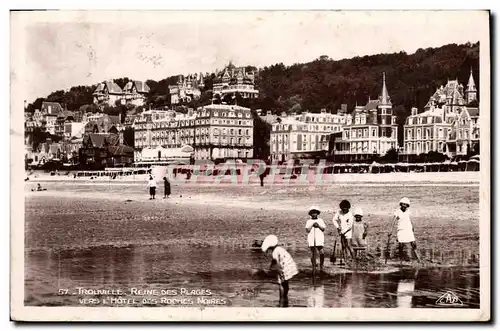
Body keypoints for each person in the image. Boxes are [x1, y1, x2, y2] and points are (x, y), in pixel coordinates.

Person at [261, 234, 299, 307]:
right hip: (288, 266)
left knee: (281, 284)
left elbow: (277, 264)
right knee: (285, 283)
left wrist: (280, 272)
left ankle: (281, 300)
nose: (268, 252)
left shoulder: (274, 252)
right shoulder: (279, 249)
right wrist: (270, 268)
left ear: (270, 248)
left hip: (283, 267)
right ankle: (285, 297)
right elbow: (274, 262)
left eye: (268, 250)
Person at [388, 197, 420, 263]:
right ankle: (401, 259)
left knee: (413, 244)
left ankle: (418, 259)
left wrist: (412, 227)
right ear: (401, 204)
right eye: (403, 204)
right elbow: (393, 221)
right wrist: (390, 230)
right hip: (401, 230)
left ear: (407, 205)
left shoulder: (408, 211)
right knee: (401, 245)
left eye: (406, 205)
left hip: (408, 229)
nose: (404, 206)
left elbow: (410, 219)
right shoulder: (397, 212)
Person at [305, 206, 326, 270]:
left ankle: (321, 265)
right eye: (312, 213)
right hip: (311, 238)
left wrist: (318, 225)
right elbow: (307, 230)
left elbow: (323, 229)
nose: (314, 214)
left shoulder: (320, 220)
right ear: (310, 214)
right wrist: (312, 225)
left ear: (317, 213)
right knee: (313, 252)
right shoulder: (309, 221)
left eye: (315, 213)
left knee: (321, 252)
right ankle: (313, 265)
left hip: (319, 238)